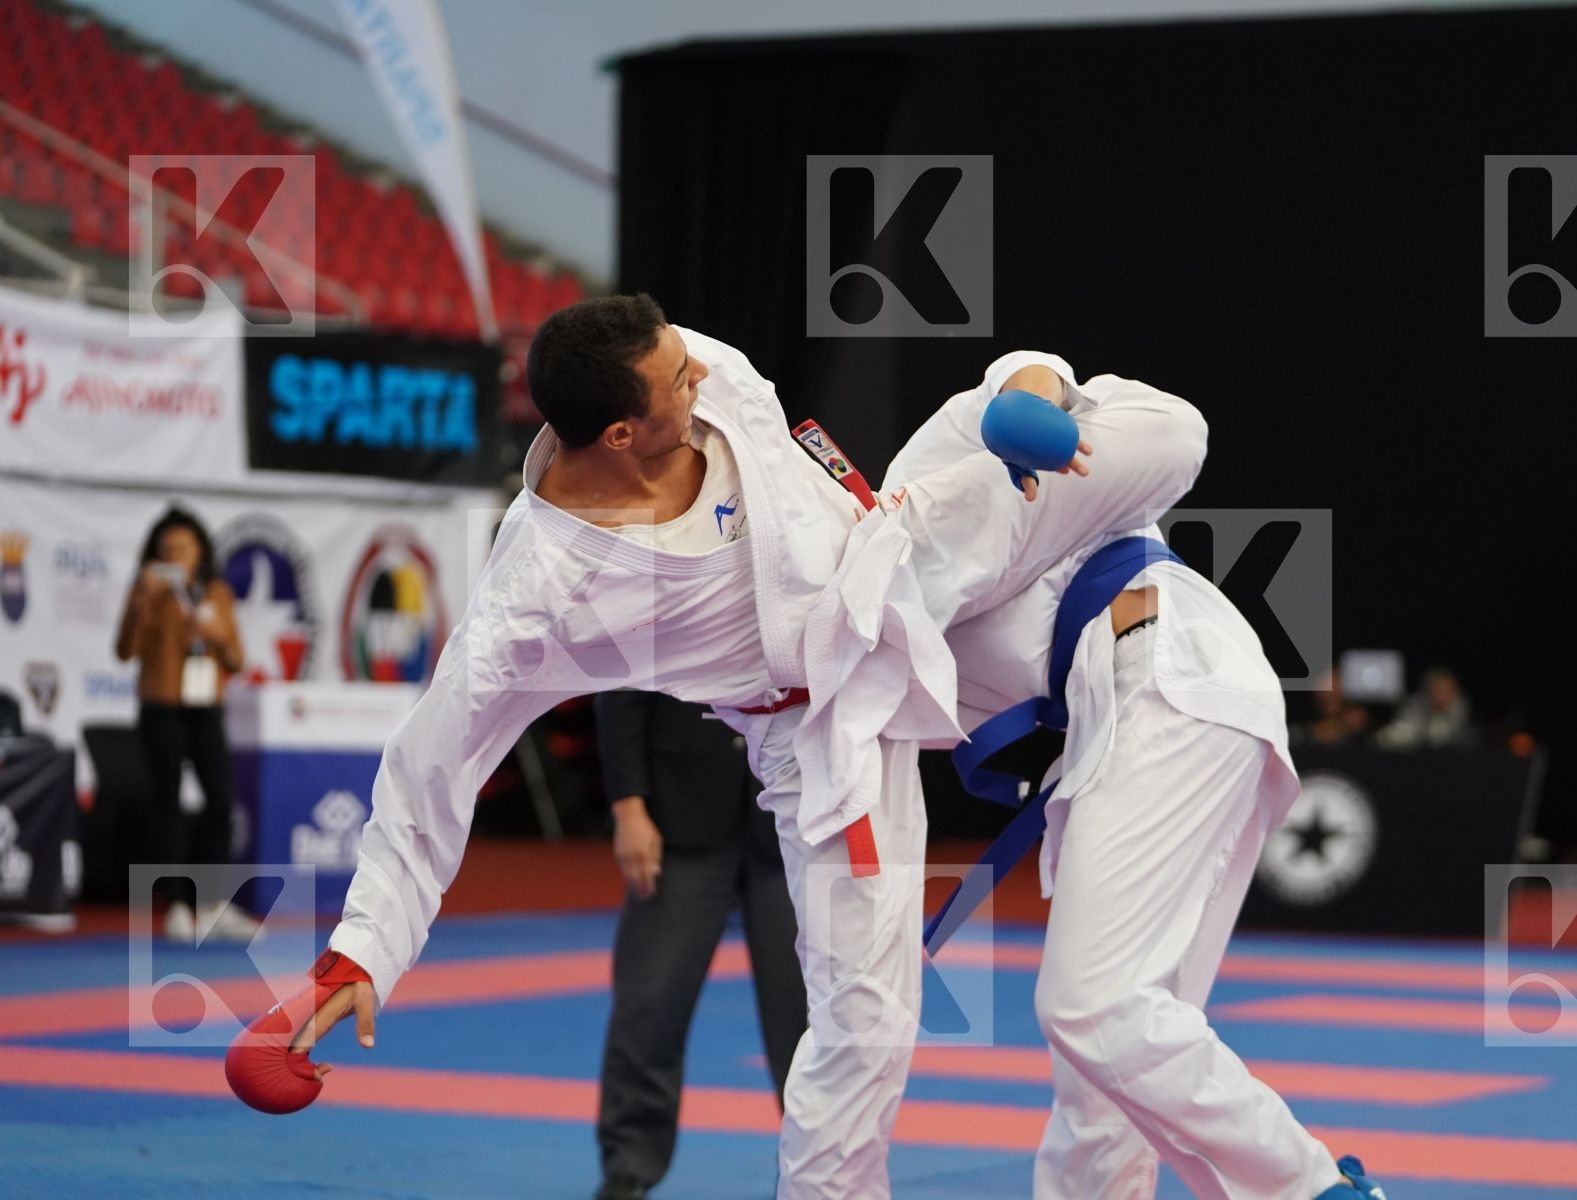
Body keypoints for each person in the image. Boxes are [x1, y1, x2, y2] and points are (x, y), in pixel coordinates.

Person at [254, 294, 1208, 1200]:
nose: (700, 370)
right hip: (826, 725)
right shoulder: (541, 594)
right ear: (622, 432)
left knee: (1171, 433)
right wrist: (359, 955)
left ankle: (1024, 394)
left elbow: (746, 412)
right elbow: (433, 765)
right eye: (675, 376)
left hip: (906, 546)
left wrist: (1028, 387)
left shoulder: (696, 369)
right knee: (866, 1021)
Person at [885, 360, 1389, 1199]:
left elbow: (1147, 419)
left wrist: (1034, 398)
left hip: (1169, 683)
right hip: (1139, 716)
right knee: (1109, 1067)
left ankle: (1312, 1189)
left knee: (1094, 1008)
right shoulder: (876, 587)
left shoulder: (961, 471)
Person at [594, 691, 805, 1200]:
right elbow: (621, 686)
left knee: (810, 1018)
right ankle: (628, 1167)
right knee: (649, 1003)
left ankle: (819, 1171)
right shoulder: (646, 603)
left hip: (793, 812)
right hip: (677, 810)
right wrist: (628, 807)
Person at [113, 506, 254, 943]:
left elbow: (236, 658)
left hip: (205, 707)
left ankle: (212, 904)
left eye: (183, 547)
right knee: (167, 804)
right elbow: (124, 650)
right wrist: (142, 597)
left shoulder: (217, 593)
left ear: (200, 552)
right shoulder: (149, 592)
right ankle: (175, 904)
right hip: (162, 707)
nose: (175, 555)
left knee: (220, 800)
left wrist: (214, 635)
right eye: (166, 548)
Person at [1375, 665, 1474, 750]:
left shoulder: (1461, 708)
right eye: (1437, 689)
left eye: (1447, 689)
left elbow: (1445, 737)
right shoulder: (1415, 706)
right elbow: (1395, 735)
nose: (1441, 695)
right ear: (1428, 690)